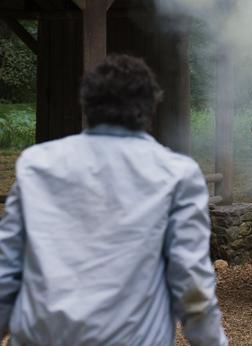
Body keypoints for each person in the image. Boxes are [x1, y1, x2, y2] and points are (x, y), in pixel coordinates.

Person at [0, 55, 228, 345]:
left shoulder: (36, 166)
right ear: (150, 112)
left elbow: (6, 272)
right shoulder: (177, 175)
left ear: (87, 107)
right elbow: (192, 283)